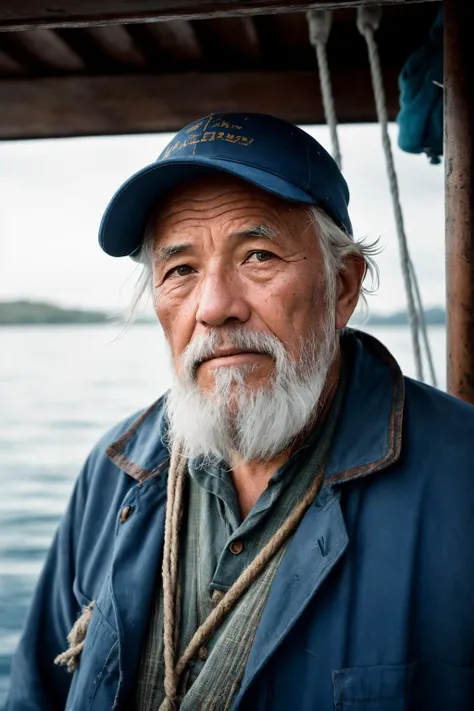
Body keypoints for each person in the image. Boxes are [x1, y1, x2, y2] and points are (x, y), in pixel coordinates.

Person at [6, 113, 474, 711]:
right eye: (181, 270)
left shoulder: (461, 478)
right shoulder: (116, 472)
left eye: (257, 256)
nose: (215, 307)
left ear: (343, 286)